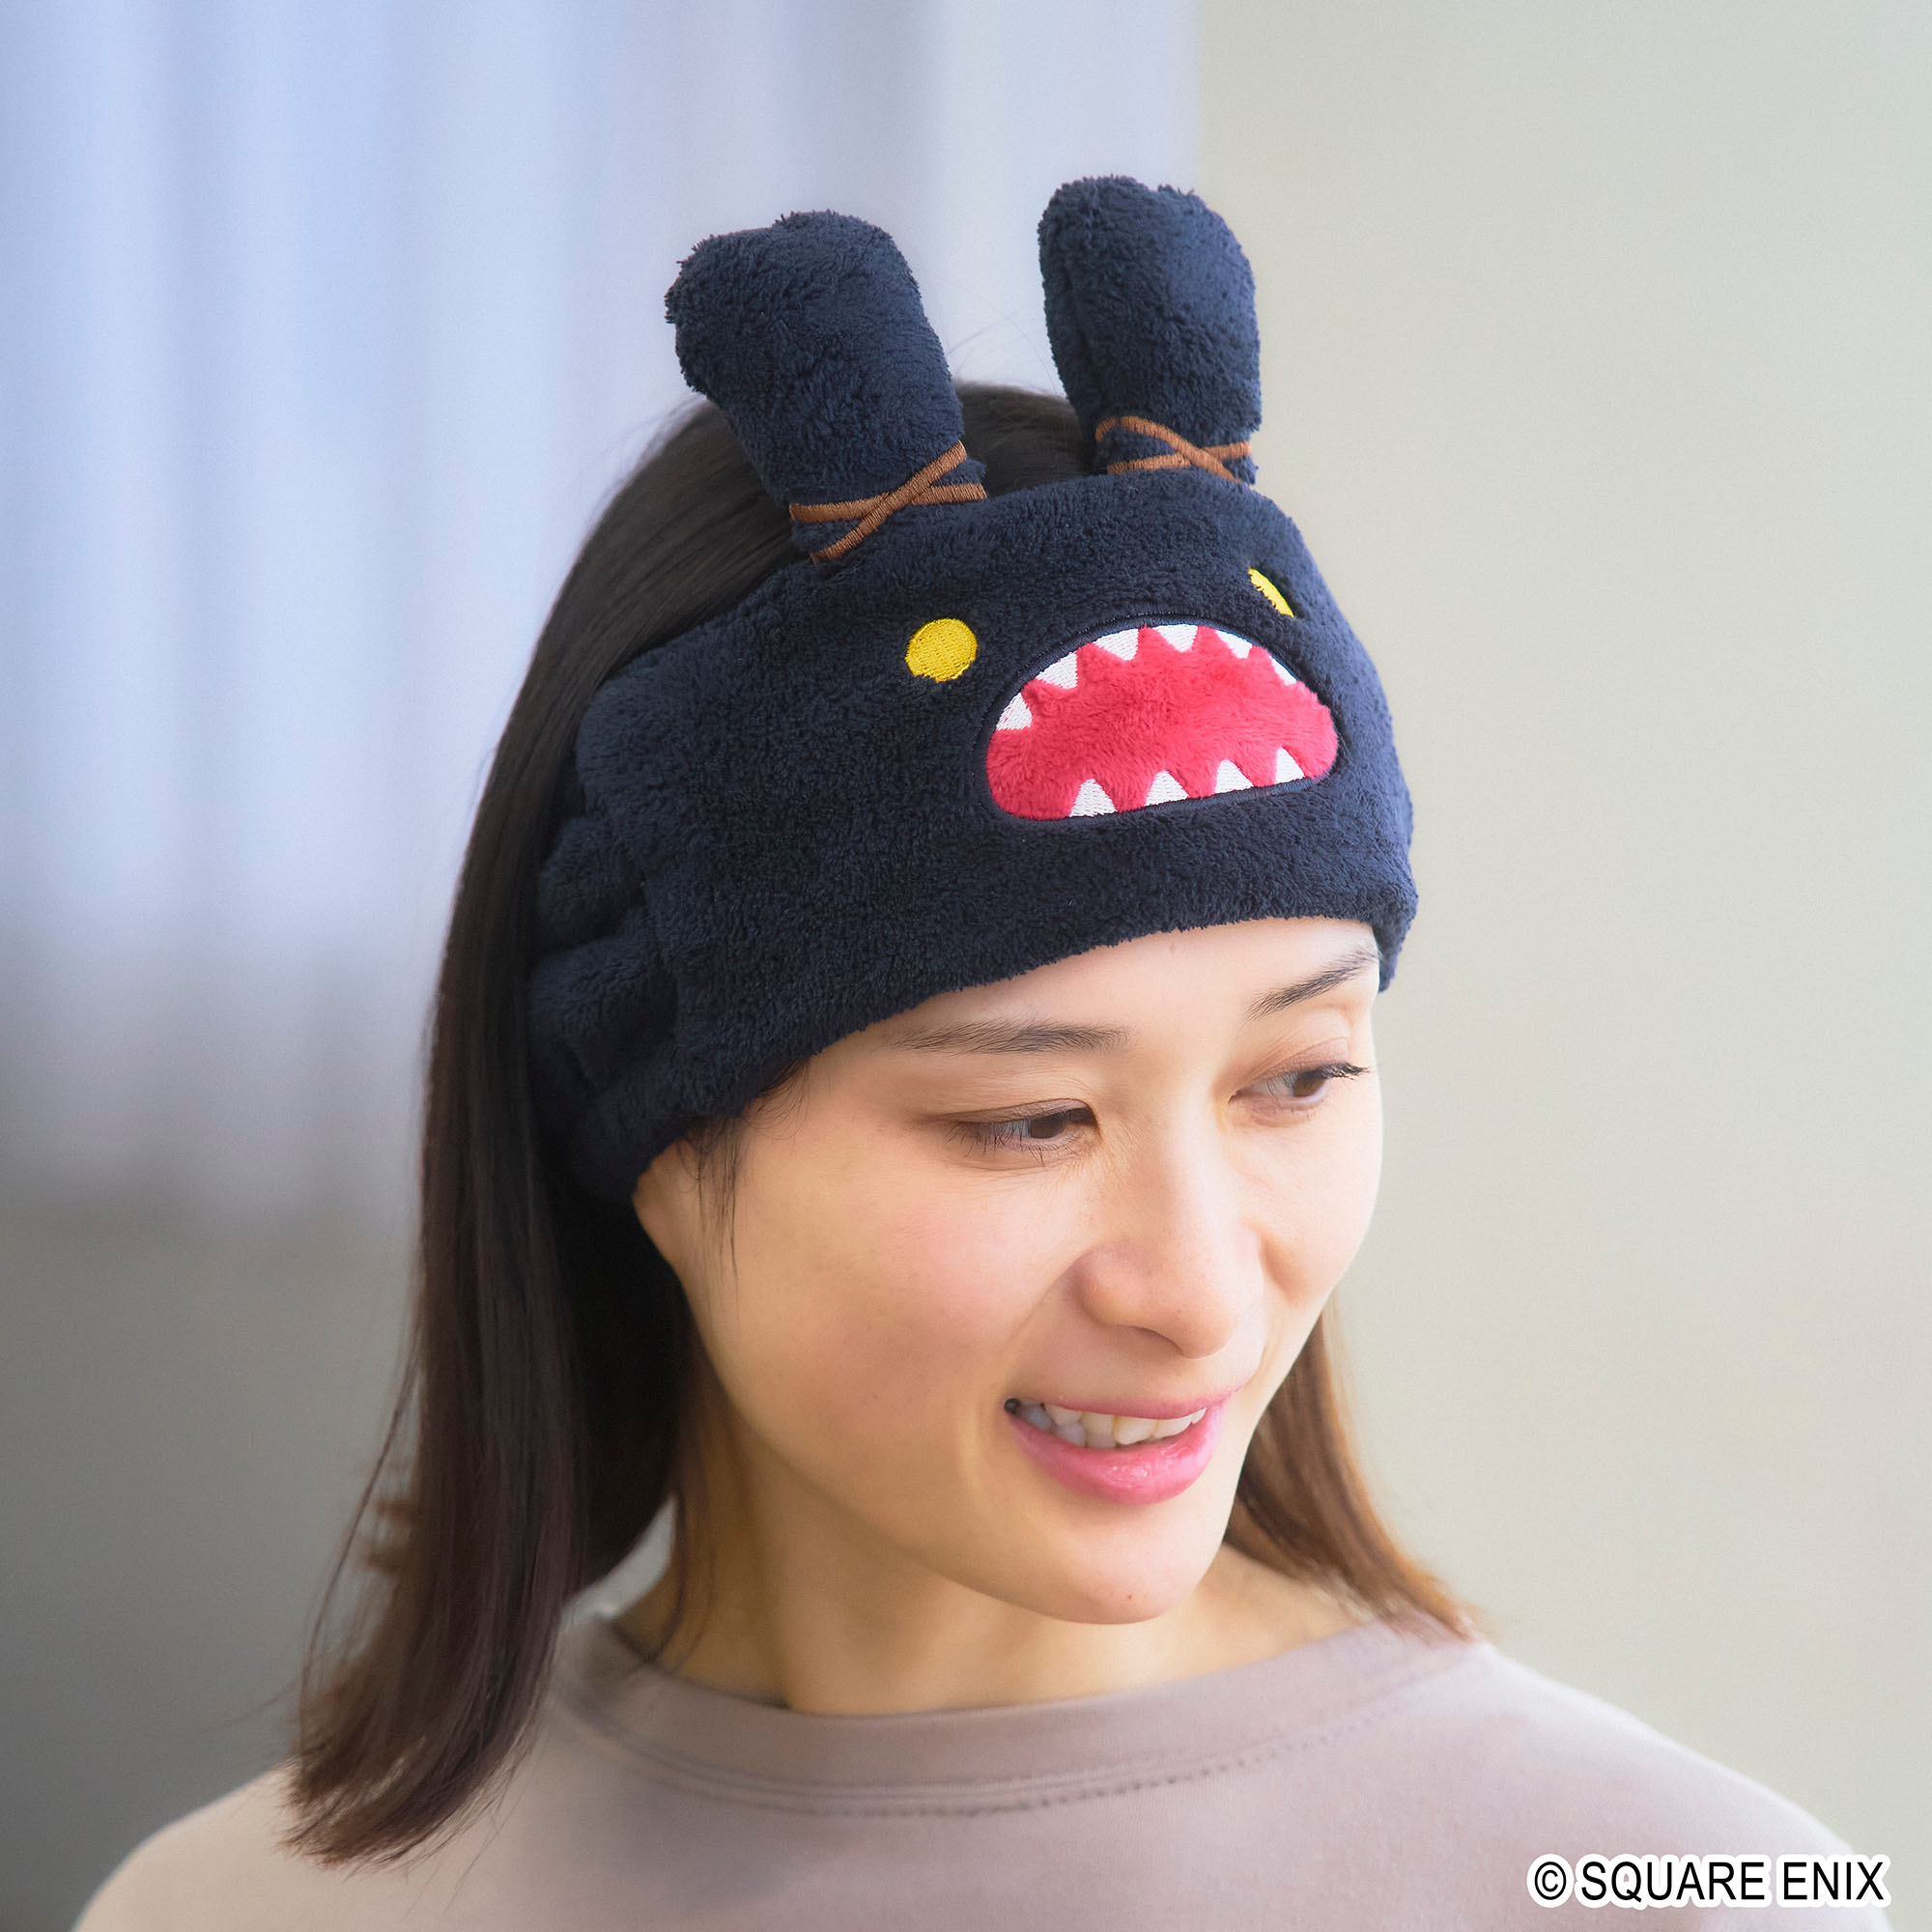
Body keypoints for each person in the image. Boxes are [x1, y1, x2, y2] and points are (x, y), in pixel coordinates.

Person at [76, 180, 1888, 1929]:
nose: (1200, 1294)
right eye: (1031, 1118)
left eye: (1300, 1077)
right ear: (651, 1133)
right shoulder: (232, 1915)